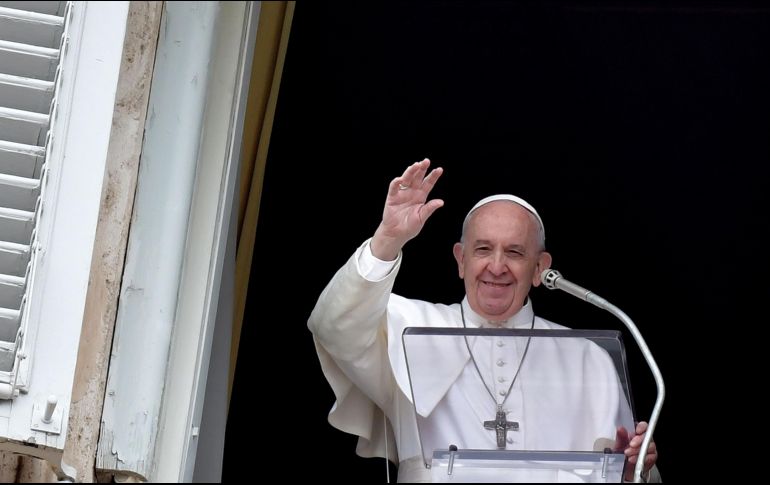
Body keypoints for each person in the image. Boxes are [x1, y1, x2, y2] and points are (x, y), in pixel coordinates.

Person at [308, 158, 659, 482]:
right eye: (482, 249)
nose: (496, 266)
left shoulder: (588, 359)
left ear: (540, 268)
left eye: (515, 252)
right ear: (461, 260)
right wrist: (387, 240)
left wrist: (633, 471)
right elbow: (332, 326)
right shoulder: (407, 327)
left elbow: (622, 473)